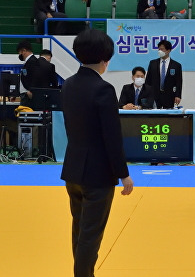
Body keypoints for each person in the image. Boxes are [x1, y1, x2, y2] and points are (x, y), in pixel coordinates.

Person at [60, 29, 134, 277]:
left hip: (73, 169)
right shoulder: (103, 89)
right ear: (105, 59)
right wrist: (123, 174)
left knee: (79, 230)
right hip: (97, 174)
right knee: (91, 235)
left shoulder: (68, 85)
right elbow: (111, 137)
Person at [17, 40, 59, 107]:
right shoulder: (29, 61)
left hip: (29, 94)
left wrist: (31, 91)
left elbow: (36, 77)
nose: (19, 55)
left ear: (24, 51)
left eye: (19, 52)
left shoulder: (33, 61)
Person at [145, 40, 183, 109]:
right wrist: (146, 94)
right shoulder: (153, 63)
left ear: (168, 50)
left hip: (169, 95)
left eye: (162, 49)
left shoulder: (176, 65)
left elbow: (178, 82)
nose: (159, 51)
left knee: (168, 117)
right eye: (159, 49)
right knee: (154, 117)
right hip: (154, 95)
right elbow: (148, 80)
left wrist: (178, 95)